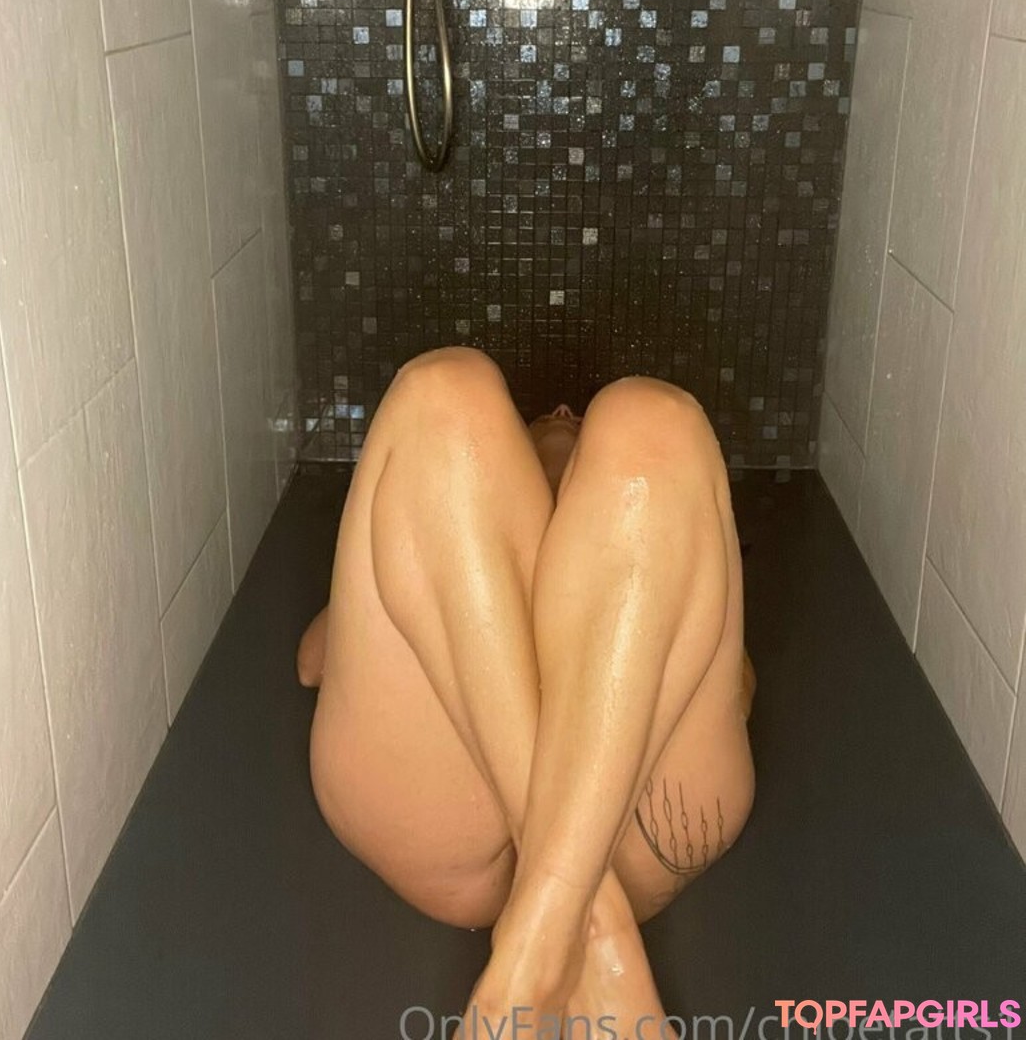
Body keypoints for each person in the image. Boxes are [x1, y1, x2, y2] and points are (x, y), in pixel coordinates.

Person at [297, 347, 756, 1035]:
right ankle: (593, 935)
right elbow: (318, 659)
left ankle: (529, 966)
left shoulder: (655, 531)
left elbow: (319, 661)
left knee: (651, 418)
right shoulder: (440, 498)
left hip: (626, 814)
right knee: (447, 394)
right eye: (540, 417)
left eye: (571, 419)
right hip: (530, 824)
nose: (566, 412)